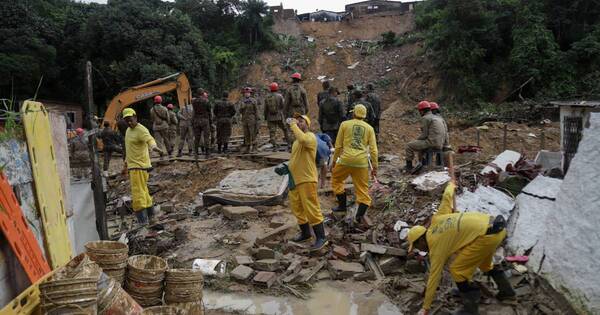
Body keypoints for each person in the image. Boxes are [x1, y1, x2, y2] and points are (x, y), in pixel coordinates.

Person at [407, 180, 516, 315]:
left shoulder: (436, 247)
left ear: (420, 240)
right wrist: (451, 185)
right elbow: (446, 200)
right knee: (484, 265)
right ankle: (507, 293)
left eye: (417, 247)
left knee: (457, 270)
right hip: (494, 226)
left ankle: (470, 309)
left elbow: (433, 279)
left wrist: (426, 307)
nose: (420, 250)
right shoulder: (437, 219)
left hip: (486, 236)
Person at [331, 104, 378, 225]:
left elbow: (338, 145)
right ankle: (359, 217)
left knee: (337, 179)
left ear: (353, 113)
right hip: (361, 163)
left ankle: (342, 207)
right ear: (364, 116)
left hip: (345, 160)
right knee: (363, 190)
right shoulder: (369, 128)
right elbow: (373, 150)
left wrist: (334, 161)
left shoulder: (344, 124)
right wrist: (375, 167)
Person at [286, 114, 328, 251]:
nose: (298, 123)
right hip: (295, 179)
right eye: (296, 121)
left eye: (301, 121)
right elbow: (295, 157)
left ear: (307, 124)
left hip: (307, 179)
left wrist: (292, 125)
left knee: (311, 208)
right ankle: (305, 234)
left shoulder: (310, 137)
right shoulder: (295, 142)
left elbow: (303, 139)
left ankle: (321, 237)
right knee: (297, 208)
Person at [122, 108, 165, 225]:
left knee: (137, 193)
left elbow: (149, 139)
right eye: (127, 121)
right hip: (134, 166)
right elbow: (129, 149)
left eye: (130, 120)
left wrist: (155, 147)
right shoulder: (128, 131)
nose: (129, 123)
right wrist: (125, 164)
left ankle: (142, 222)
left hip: (139, 167)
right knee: (144, 191)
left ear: (135, 117)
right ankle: (151, 217)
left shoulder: (140, 129)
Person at [404, 101, 446, 171]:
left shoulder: (425, 118)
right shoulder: (437, 118)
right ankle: (423, 165)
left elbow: (424, 135)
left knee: (409, 145)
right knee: (421, 146)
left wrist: (417, 140)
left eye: (420, 111)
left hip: (431, 143)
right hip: (440, 143)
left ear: (422, 111)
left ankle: (409, 167)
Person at [264, 82, 291, 151]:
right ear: (277, 88)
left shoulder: (267, 97)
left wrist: (265, 117)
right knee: (285, 129)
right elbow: (283, 106)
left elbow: (265, 109)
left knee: (272, 132)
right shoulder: (280, 96)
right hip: (279, 116)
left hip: (270, 117)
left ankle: (275, 146)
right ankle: (289, 144)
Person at [192, 89, 213, 158]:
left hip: (196, 120)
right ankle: (207, 154)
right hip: (205, 120)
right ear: (202, 93)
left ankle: (196, 153)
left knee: (197, 138)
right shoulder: (206, 101)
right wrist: (211, 122)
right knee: (206, 137)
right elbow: (209, 112)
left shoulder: (194, 102)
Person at [240, 87, 259, 153]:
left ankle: (255, 147)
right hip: (244, 119)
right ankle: (247, 147)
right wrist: (242, 107)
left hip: (252, 118)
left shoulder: (254, 101)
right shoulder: (242, 101)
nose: (247, 94)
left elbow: (256, 111)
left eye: (248, 93)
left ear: (250, 93)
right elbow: (240, 111)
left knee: (253, 133)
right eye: (245, 93)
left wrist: (257, 120)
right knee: (246, 133)